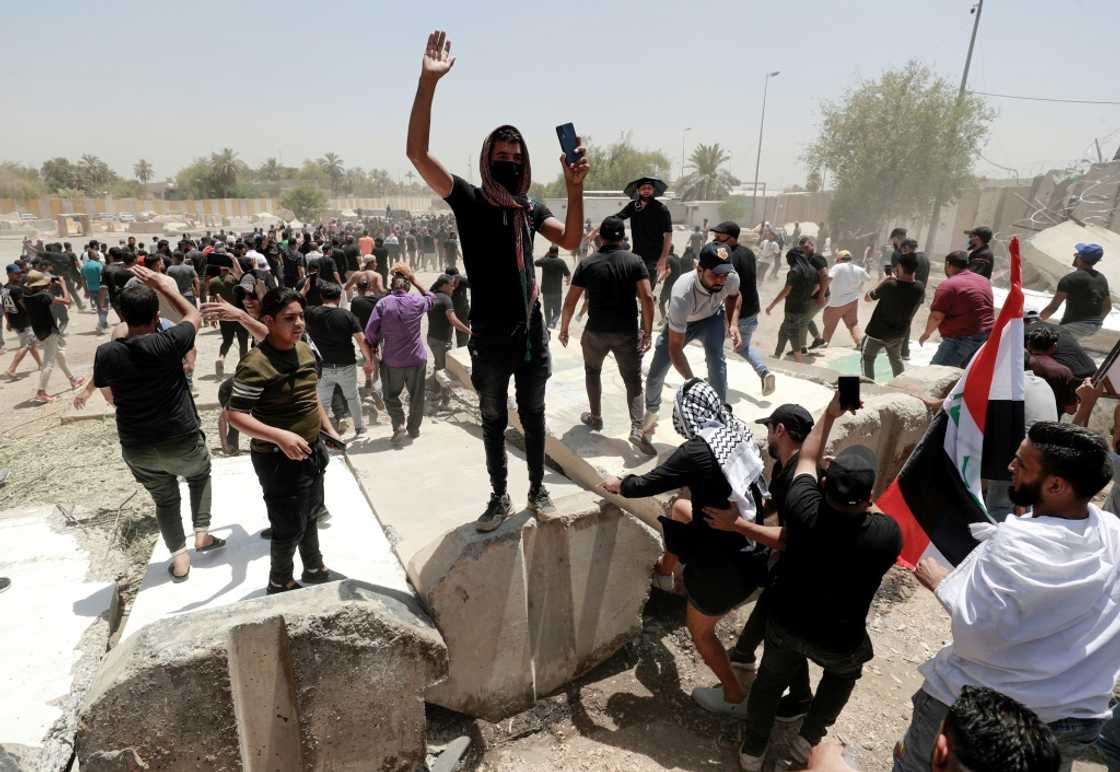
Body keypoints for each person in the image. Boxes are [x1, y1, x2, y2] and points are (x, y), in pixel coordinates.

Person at [407, 29, 589, 531]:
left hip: (530, 334)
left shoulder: (530, 208)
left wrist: (576, 188)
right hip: (488, 334)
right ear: (488, 160)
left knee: (532, 415)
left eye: (516, 157)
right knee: (491, 418)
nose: (509, 162)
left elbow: (571, 241)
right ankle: (498, 495)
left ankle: (536, 488)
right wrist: (428, 83)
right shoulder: (469, 199)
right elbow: (418, 154)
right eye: (501, 156)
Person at [895, 421, 1120, 772]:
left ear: (1056, 485)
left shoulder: (1014, 544)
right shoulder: (1113, 534)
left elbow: (976, 635)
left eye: (1022, 464)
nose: (1010, 467)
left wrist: (942, 584)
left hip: (981, 714)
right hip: (1074, 715)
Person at [724, 390, 901, 771]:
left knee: (770, 682)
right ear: (868, 497)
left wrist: (832, 412)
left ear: (824, 485)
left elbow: (807, 456)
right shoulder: (887, 536)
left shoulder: (804, 509)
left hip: (788, 624)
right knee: (845, 673)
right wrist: (860, 493)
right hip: (840, 636)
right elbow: (875, 510)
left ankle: (753, 752)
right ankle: (808, 738)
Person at [600, 379, 770, 718]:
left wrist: (620, 484)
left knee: (701, 631)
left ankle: (735, 695)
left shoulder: (697, 451)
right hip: (751, 547)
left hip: (724, 567)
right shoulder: (734, 429)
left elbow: (651, 482)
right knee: (680, 509)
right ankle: (666, 574)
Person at [79, 266, 220, 581]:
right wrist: (163, 286)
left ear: (123, 317)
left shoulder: (107, 353)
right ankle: (202, 532)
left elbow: (109, 395)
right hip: (179, 436)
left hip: (137, 445)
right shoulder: (169, 342)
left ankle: (180, 561)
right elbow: (193, 314)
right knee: (199, 474)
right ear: (157, 316)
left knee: (165, 500)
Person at [226, 288, 344, 594]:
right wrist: (279, 436)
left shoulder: (303, 350)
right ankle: (280, 582)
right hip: (277, 460)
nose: (299, 323)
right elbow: (235, 414)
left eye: (301, 316)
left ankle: (315, 568)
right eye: (289, 318)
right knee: (288, 526)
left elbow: (311, 397)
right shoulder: (255, 364)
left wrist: (328, 430)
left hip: (311, 450)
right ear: (268, 320)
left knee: (311, 514)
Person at [726, 403, 815, 673]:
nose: (767, 439)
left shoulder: (803, 478)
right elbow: (775, 503)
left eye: (769, 431)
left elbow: (789, 538)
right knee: (771, 600)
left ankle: (798, 699)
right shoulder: (783, 467)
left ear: (780, 430)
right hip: (792, 559)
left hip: (807, 563)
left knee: (786, 636)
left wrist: (738, 524)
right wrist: (750, 511)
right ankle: (742, 652)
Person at [558, 216, 655, 455]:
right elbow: (648, 298)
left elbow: (571, 301)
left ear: (600, 238)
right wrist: (648, 331)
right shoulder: (635, 261)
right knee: (633, 381)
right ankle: (636, 428)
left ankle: (596, 417)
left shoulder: (587, 263)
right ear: (623, 238)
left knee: (593, 372)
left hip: (596, 332)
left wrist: (564, 328)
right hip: (626, 333)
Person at [641, 243, 742, 438]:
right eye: (715, 275)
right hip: (683, 324)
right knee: (656, 373)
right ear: (699, 269)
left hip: (711, 319)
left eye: (724, 274)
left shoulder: (731, 278)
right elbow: (675, 348)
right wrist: (693, 382)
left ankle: (718, 413)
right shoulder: (682, 293)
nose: (721, 280)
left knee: (717, 361)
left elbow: (734, 297)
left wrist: (733, 323)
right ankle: (652, 411)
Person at [365, 266, 435, 447]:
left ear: (391, 287)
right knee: (417, 396)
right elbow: (431, 298)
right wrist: (414, 279)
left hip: (392, 360)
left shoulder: (383, 304)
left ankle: (398, 424)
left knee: (390, 395)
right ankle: (413, 429)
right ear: (408, 287)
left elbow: (370, 332)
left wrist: (373, 346)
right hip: (417, 359)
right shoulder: (417, 301)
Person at [712, 221, 775, 396]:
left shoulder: (725, 255)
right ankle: (764, 372)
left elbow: (724, 285)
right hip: (752, 309)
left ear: (731, 237)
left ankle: (718, 384)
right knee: (743, 347)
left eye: (720, 235)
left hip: (732, 311)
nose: (716, 237)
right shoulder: (749, 252)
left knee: (714, 346)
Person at [304, 282, 374, 437]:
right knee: (352, 397)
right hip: (346, 365)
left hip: (322, 367)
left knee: (323, 402)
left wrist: (304, 290)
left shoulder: (311, 313)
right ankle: (360, 429)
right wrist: (369, 361)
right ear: (339, 297)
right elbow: (361, 340)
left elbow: (296, 303)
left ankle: (322, 433)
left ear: (322, 297)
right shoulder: (347, 315)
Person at [920, 251, 994, 368]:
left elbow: (936, 317)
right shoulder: (984, 281)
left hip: (961, 339)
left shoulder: (949, 285)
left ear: (948, 264)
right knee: (963, 378)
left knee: (936, 373)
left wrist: (926, 333)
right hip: (986, 338)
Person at [22, 270, 84, 403]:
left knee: (60, 355)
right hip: (49, 332)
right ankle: (41, 392)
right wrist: (63, 284)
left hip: (39, 332)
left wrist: (48, 285)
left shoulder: (26, 296)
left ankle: (72, 379)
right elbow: (67, 301)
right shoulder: (44, 295)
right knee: (48, 363)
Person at [862, 251, 924, 379]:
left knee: (867, 358)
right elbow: (904, 289)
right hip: (898, 334)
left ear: (900, 267)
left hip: (876, 332)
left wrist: (883, 281)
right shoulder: (919, 287)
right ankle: (900, 384)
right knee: (896, 360)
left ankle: (869, 387)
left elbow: (868, 298)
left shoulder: (889, 285)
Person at [1039, 242, 1110, 340]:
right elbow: (1107, 307)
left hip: (1076, 325)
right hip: (1095, 325)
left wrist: (1036, 322)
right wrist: (1096, 321)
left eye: (1076, 254)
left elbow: (1053, 307)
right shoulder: (1101, 278)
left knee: (1042, 341)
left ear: (1079, 257)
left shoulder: (1069, 279)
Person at [612, 176, 673, 284]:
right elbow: (616, 218)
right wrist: (596, 230)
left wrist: (663, 259)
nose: (646, 190)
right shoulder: (633, 206)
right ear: (638, 190)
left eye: (649, 188)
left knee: (646, 292)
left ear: (653, 190)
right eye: (643, 188)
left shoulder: (661, 209)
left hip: (654, 259)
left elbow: (668, 234)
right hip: (637, 256)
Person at [767, 245, 819, 363]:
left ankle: (799, 361)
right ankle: (777, 354)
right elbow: (817, 287)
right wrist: (805, 296)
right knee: (783, 330)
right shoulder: (812, 269)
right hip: (804, 306)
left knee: (793, 333)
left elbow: (786, 290)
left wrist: (772, 305)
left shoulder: (795, 271)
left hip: (793, 308)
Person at [426, 273, 471, 397]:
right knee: (443, 368)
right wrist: (469, 331)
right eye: (451, 286)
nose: (453, 288)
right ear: (444, 286)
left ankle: (437, 390)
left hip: (431, 338)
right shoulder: (446, 300)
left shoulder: (431, 295)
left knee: (438, 364)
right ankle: (442, 394)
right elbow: (454, 321)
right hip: (442, 340)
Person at [2, 264, 44, 378]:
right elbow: (25, 305)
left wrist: (9, 321)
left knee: (31, 343)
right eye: (16, 273)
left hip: (14, 321)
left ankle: (41, 364)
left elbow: (5, 307)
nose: (19, 275)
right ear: (9, 274)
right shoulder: (17, 289)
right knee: (27, 344)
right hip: (24, 321)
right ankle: (11, 369)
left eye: (19, 273)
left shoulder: (4, 288)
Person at [823, 249, 869, 347]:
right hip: (852, 301)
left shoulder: (837, 267)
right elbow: (868, 278)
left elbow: (829, 278)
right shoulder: (858, 269)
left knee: (829, 327)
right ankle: (859, 343)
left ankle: (824, 345)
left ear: (839, 259)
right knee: (853, 324)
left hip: (836, 303)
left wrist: (822, 292)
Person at [533, 245, 571, 329]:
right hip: (557, 291)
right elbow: (568, 274)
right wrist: (568, 282)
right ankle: (552, 323)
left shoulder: (545, 261)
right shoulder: (561, 262)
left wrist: (545, 256)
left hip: (546, 291)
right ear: (557, 253)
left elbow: (535, 262)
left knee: (547, 311)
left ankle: (549, 326)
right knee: (557, 312)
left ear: (549, 252)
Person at [81, 247, 110, 334]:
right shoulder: (99, 265)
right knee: (105, 307)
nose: (98, 255)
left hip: (91, 289)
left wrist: (86, 291)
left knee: (99, 307)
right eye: (96, 254)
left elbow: (82, 280)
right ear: (92, 255)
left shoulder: (84, 266)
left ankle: (103, 323)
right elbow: (103, 278)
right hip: (101, 289)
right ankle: (100, 324)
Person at [659, 244, 682, 321]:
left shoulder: (668, 258)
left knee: (661, 302)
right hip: (678, 285)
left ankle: (664, 320)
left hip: (669, 284)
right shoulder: (677, 257)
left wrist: (660, 279)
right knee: (671, 304)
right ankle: (670, 320)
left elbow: (668, 271)